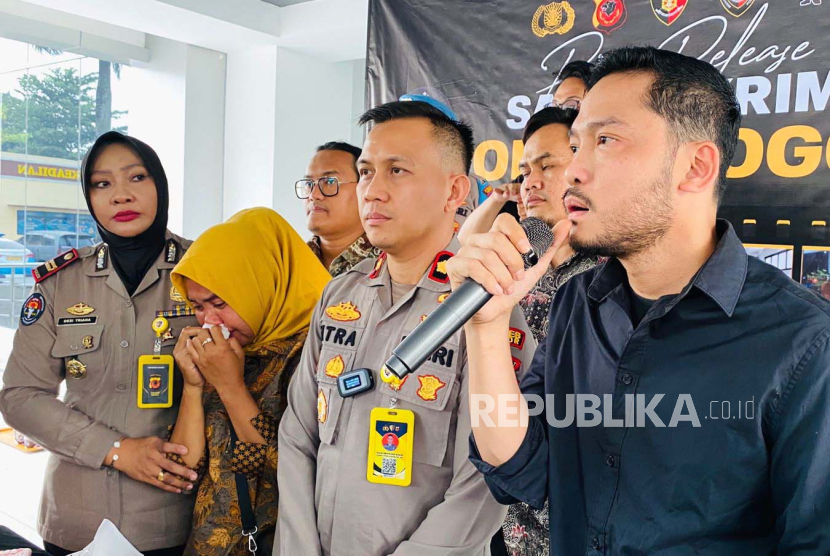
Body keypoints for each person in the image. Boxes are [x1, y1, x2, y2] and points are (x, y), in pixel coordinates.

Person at [449, 46, 830, 554]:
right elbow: (523, 470)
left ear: (695, 166)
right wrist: (486, 329)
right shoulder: (576, 305)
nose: (573, 172)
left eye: (605, 140)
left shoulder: (804, 344)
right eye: (577, 145)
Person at [277, 100, 536, 555]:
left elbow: (482, 485)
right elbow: (298, 436)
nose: (372, 191)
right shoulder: (339, 295)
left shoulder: (486, 306)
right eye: (366, 172)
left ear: (455, 190)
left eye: (397, 171)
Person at [0, 131, 199, 556]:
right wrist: (116, 450)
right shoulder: (60, 283)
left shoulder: (204, 271)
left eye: (137, 178)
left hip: (177, 516)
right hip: (77, 516)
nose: (121, 196)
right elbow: (19, 396)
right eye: (102, 184)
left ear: (160, 185)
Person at [461, 107, 600, 556]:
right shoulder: (516, 263)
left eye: (547, 166)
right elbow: (465, 244)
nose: (531, 181)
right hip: (508, 510)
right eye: (525, 170)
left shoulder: (613, 279)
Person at [165, 207, 330, 555]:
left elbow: (291, 474)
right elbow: (183, 468)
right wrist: (194, 387)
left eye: (220, 303)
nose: (209, 321)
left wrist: (230, 387)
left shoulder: (318, 353)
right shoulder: (224, 351)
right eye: (197, 306)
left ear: (263, 283)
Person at [299, 142, 381, 276]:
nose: (314, 195)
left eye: (330, 182)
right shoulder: (290, 263)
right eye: (309, 184)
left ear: (364, 189)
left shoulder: (389, 265)